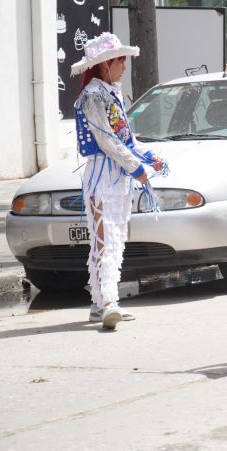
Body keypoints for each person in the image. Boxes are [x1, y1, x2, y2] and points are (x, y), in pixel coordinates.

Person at [71, 33, 166, 330]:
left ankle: (102, 303)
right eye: (120, 61)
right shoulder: (92, 96)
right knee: (103, 237)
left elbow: (126, 138)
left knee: (114, 238)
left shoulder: (110, 94)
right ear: (104, 64)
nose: (124, 67)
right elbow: (106, 140)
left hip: (117, 176)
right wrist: (137, 167)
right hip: (102, 175)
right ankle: (107, 302)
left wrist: (149, 157)